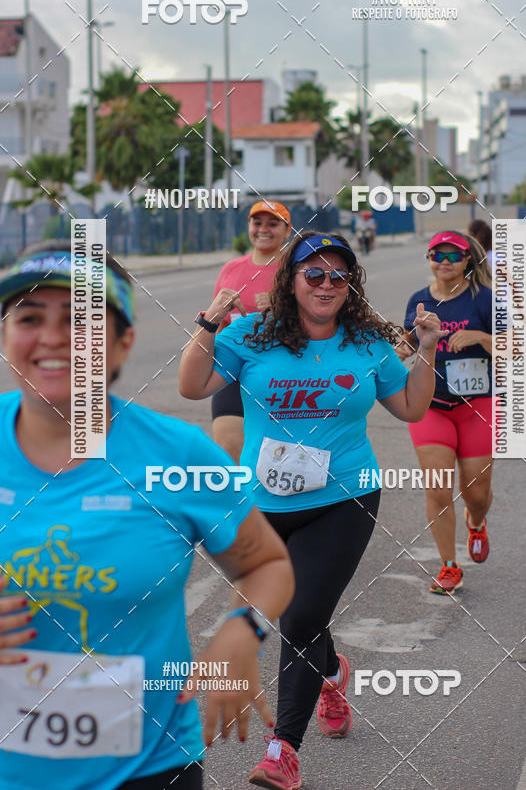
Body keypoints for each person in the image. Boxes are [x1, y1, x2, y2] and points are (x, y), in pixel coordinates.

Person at [0, 240, 294, 790]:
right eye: (29, 316)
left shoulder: (178, 454)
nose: (52, 337)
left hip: (147, 769)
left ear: (122, 343)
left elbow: (267, 562)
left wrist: (241, 631)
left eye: (81, 318)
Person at [178, 230, 446, 790]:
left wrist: (424, 350)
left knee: (299, 616)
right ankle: (331, 671)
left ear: (350, 284)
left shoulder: (368, 342)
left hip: (343, 498)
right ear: (291, 279)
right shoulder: (252, 333)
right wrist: (209, 324)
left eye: (337, 275)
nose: (326, 284)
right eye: (314, 274)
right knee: (297, 617)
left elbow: (412, 406)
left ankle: (284, 752)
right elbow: (192, 385)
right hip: (264, 503)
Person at [398, 231, 497, 596]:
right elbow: (409, 340)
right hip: (432, 406)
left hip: (477, 406)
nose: (445, 260)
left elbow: (516, 349)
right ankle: (449, 566)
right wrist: (401, 350)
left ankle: (477, 521)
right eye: (437, 254)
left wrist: (480, 338)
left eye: (453, 255)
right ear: (428, 257)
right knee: (438, 488)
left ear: (468, 260)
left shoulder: (484, 300)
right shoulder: (419, 301)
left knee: (475, 491)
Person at [211, 200, 292, 462]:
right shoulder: (231, 268)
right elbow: (217, 324)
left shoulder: (296, 271)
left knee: (272, 461)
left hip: (283, 375)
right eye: (257, 222)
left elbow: (318, 322)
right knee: (228, 452)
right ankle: (239, 504)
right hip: (233, 370)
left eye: (272, 223)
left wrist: (282, 309)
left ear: (287, 230)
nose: (263, 229)